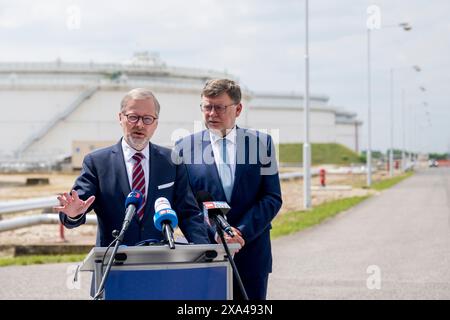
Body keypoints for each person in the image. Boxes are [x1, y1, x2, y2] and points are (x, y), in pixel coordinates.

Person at [55, 88, 209, 247]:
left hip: (159, 263)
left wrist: (206, 251)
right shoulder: (97, 163)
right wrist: (73, 214)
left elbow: (189, 214)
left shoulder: (172, 161)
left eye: (147, 119)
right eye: (133, 117)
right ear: (120, 118)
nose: (140, 125)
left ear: (156, 123)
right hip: (112, 263)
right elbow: (76, 207)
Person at [175, 79, 282, 300]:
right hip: (206, 252)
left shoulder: (262, 143)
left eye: (219, 107)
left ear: (238, 108)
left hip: (251, 254)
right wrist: (215, 234)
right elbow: (185, 203)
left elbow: (271, 197)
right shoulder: (184, 147)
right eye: (207, 107)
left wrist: (240, 231)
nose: (211, 113)